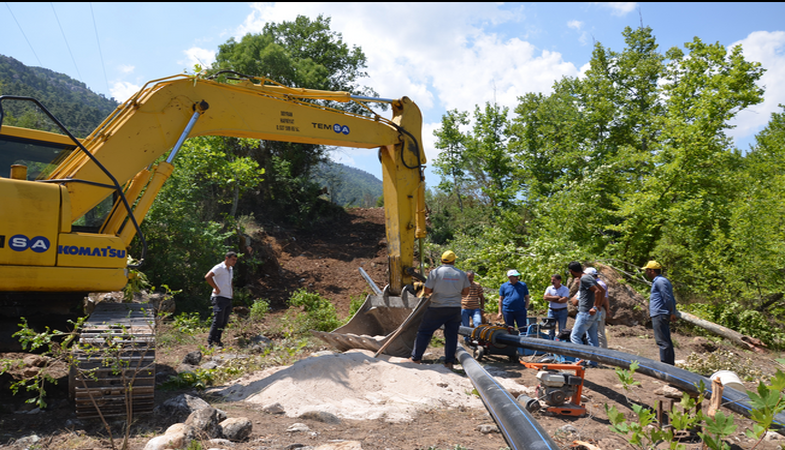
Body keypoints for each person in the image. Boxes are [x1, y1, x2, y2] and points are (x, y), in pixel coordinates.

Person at [410, 250, 470, 370]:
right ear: (453, 261)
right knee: (451, 335)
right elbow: (466, 292)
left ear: (442, 260)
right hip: (454, 309)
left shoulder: (435, 272)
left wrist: (437, 290)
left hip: (437, 307)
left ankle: (416, 359)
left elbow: (427, 291)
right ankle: (449, 362)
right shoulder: (461, 274)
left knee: (424, 332)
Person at [568, 261, 605, 366]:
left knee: (575, 336)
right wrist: (598, 306)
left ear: (571, 271)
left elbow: (598, 291)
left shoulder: (584, 278)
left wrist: (595, 306)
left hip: (585, 312)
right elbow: (602, 290)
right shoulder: (588, 277)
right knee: (592, 338)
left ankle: (580, 361)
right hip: (592, 313)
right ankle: (593, 362)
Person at [642, 260, 678, 365]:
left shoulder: (660, 281)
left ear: (652, 271)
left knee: (663, 342)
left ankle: (666, 367)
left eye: (647, 270)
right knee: (665, 341)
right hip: (660, 313)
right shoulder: (660, 281)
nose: (646, 273)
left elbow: (668, 298)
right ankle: (669, 366)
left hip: (660, 314)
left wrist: (672, 312)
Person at [205, 251, 239, 348]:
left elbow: (230, 281)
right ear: (227, 258)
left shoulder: (230, 269)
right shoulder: (219, 267)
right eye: (233, 259)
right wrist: (216, 288)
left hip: (227, 297)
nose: (234, 262)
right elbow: (208, 276)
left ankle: (217, 340)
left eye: (235, 260)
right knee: (218, 320)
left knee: (224, 320)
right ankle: (210, 342)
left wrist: (231, 292)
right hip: (219, 297)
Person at [584, 267, 611, 348]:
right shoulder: (594, 283)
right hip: (595, 309)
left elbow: (605, 300)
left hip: (598, 309)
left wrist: (607, 310)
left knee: (599, 332)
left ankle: (602, 352)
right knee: (593, 332)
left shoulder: (600, 284)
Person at [497, 269, 530, 334]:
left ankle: (524, 342)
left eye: (517, 276)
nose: (517, 277)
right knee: (509, 329)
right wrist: (500, 312)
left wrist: (525, 308)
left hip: (520, 310)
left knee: (523, 328)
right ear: (509, 277)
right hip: (508, 310)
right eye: (515, 276)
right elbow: (501, 299)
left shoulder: (522, 285)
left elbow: (527, 297)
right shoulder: (504, 286)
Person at [543, 274, 570, 339]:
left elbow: (564, 300)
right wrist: (557, 297)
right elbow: (545, 298)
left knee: (562, 330)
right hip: (551, 311)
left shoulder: (565, 289)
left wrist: (551, 298)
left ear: (559, 280)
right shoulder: (549, 288)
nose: (552, 281)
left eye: (554, 280)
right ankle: (551, 343)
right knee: (550, 329)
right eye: (552, 280)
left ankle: (560, 344)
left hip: (562, 311)